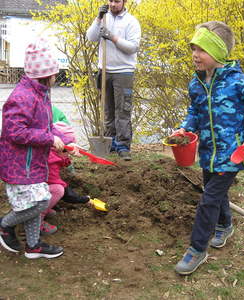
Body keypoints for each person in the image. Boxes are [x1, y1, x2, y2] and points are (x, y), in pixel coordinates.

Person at [173, 21, 244, 275]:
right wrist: (185, 128)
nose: (195, 54)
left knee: (208, 200)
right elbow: (195, 111)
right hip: (208, 153)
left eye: (201, 49)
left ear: (218, 53)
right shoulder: (196, 84)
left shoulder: (238, 82)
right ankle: (225, 225)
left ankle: (197, 249)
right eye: (193, 48)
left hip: (232, 153)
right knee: (214, 191)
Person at [0, 38, 74, 259]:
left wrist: (64, 141)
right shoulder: (22, 97)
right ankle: (5, 225)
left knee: (36, 199)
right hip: (19, 165)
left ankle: (33, 246)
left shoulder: (41, 94)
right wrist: (49, 139)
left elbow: (47, 127)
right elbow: (15, 132)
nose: (55, 77)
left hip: (34, 163)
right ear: (45, 75)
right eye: (54, 73)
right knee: (40, 201)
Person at [86, 0, 141, 161]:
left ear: (124, 2)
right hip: (105, 71)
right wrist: (98, 18)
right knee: (108, 110)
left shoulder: (131, 22)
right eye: (110, 0)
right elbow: (91, 37)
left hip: (124, 72)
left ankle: (123, 145)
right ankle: (109, 143)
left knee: (122, 111)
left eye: (117, 1)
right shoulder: (104, 18)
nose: (113, 4)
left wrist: (112, 37)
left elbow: (132, 47)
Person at [40, 122, 90, 235]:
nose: (69, 154)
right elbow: (54, 182)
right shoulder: (50, 161)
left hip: (39, 188)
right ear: (59, 147)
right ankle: (38, 219)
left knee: (58, 188)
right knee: (58, 190)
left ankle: (44, 209)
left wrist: (66, 159)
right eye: (67, 151)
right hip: (33, 191)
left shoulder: (52, 153)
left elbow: (61, 159)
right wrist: (79, 198)